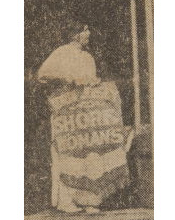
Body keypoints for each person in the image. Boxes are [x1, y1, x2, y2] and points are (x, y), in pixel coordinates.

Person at [37, 20, 134, 213]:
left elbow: (90, 82)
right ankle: (65, 200)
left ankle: (88, 200)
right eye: (85, 30)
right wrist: (69, 79)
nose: (88, 33)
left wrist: (94, 83)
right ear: (75, 34)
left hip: (85, 115)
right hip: (65, 113)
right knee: (65, 153)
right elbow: (43, 74)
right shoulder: (62, 52)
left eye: (88, 29)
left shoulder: (88, 57)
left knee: (87, 153)